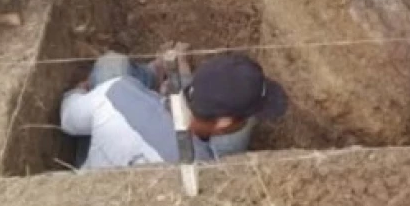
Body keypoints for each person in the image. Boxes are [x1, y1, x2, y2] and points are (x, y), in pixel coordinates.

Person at [61, 51, 288, 169]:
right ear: (224, 124)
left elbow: (68, 120)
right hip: (178, 155)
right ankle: (162, 76)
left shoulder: (116, 91)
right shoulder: (202, 168)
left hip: (95, 165)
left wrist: (79, 92)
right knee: (243, 131)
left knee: (112, 64)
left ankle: (155, 73)